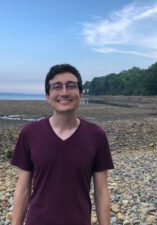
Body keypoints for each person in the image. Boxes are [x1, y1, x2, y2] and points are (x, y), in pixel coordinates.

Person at [11, 64, 114, 225]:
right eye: (57, 87)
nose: (64, 93)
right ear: (47, 95)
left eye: (71, 86)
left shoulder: (96, 135)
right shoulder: (30, 133)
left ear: (80, 93)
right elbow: (23, 189)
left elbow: (101, 192)